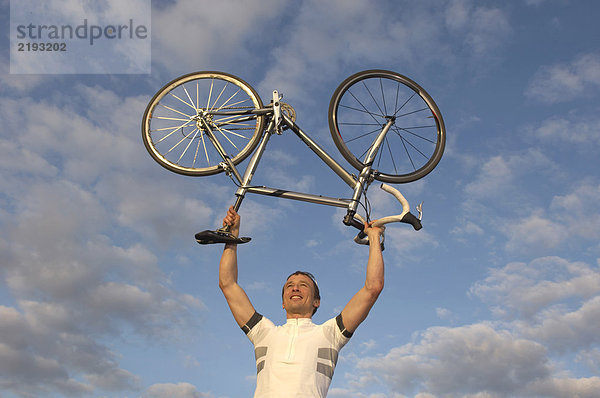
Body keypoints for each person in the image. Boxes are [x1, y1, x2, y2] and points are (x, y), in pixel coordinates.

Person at [219, 206, 384, 397]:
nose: (295, 288)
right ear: (283, 302)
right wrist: (232, 237)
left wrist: (373, 237)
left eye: (303, 285)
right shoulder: (263, 332)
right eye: (289, 285)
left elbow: (373, 288)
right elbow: (228, 284)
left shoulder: (331, 334)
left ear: (317, 302)